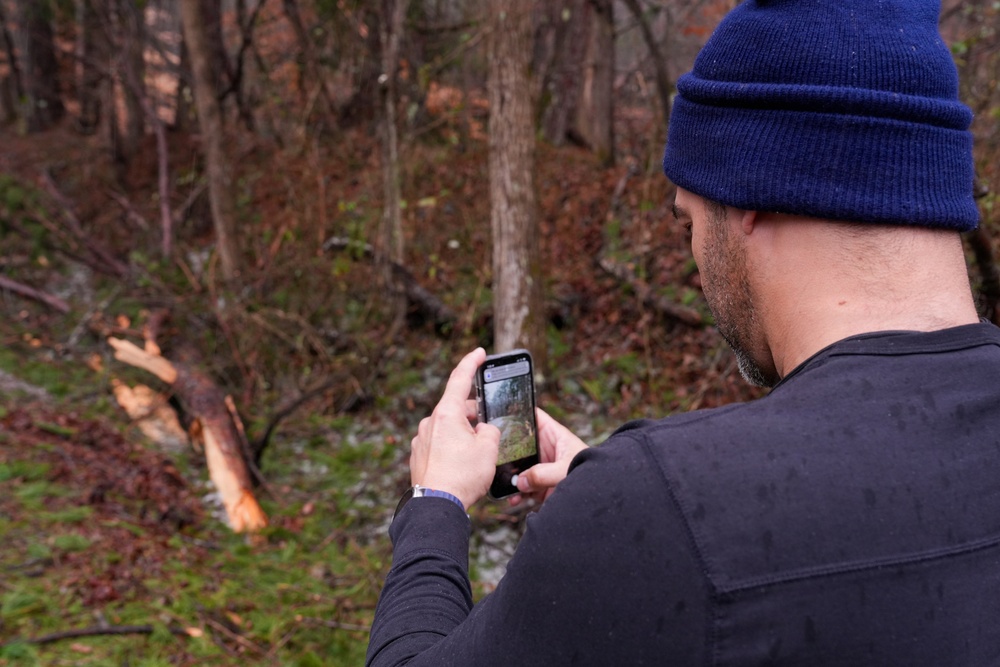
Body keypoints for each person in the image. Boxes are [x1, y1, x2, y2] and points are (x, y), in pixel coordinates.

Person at [366, 0, 1000, 664]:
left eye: (689, 221)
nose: (695, 255)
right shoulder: (663, 515)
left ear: (752, 189)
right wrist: (624, 520)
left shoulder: (663, 511)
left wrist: (435, 506)